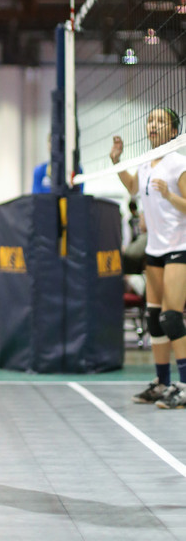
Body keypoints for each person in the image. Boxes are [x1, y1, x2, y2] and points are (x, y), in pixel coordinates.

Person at [110, 107, 186, 408]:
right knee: (154, 318)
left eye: (160, 121)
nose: (153, 125)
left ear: (173, 131)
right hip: (154, 249)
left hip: (179, 248)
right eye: (150, 120)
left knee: (171, 316)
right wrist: (116, 161)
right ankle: (162, 382)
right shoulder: (145, 163)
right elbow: (132, 187)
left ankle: (184, 385)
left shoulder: (178, 163)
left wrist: (169, 196)